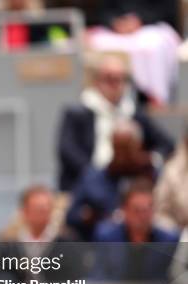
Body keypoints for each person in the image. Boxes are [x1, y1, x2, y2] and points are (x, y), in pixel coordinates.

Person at [56, 53, 173, 192]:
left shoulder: (134, 112)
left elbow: (166, 144)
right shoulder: (78, 112)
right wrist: (94, 175)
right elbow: (67, 151)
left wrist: (148, 161)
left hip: (129, 184)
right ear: (96, 80)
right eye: (109, 79)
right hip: (87, 184)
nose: (115, 84)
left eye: (120, 79)